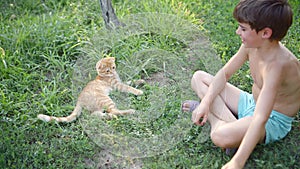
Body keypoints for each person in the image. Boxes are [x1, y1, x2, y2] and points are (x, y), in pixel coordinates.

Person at [181, 0, 300, 168]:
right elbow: (225, 74)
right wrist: (206, 102)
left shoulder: (277, 66)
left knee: (219, 136)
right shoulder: (252, 45)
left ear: (265, 33)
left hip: (271, 120)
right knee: (198, 77)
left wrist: (237, 162)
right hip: (251, 102)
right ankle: (226, 123)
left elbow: (260, 118)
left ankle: (219, 125)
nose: (238, 32)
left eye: (243, 29)